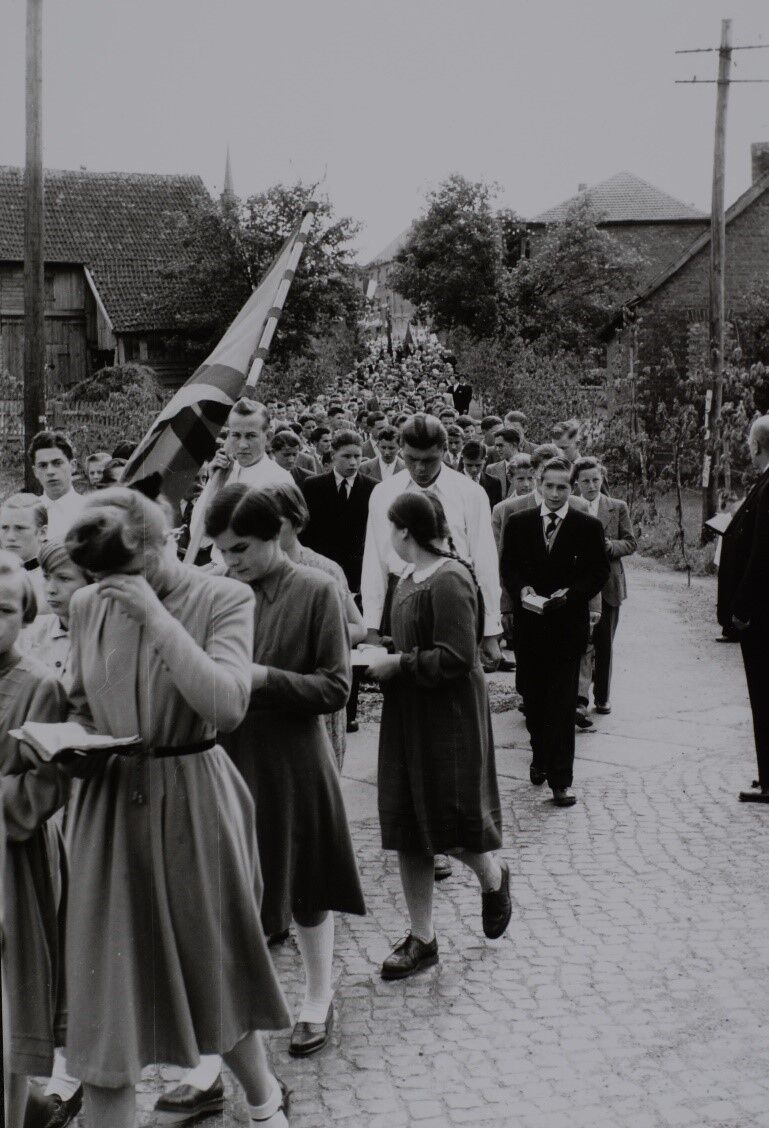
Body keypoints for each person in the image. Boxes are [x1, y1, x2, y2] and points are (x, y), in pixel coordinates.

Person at [62, 488, 291, 1128]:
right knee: (106, 1001)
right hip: (109, 810)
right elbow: (81, 702)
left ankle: (264, 1104)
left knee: (216, 969)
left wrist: (155, 619)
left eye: (125, 574)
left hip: (196, 799)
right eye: (101, 578)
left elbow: (226, 705)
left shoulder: (224, 598)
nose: (112, 588)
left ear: (162, 543)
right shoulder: (88, 603)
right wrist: (70, 741)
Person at [205, 485, 365, 1057]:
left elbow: (336, 687)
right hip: (229, 755)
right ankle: (238, 1011)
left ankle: (317, 997)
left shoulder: (317, 588)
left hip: (294, 757)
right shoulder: (218, 590)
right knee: (235, 884)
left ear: (276, 534)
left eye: (241, 549)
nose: (232, 562)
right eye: (223, 551)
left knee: (306, 883)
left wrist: (264, 679)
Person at [366, 493, 510, 980]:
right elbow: (406, 640)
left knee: (445, 820)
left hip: (446, 717)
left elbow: (456, 656)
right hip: (409, 712)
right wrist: (379, 653)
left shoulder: (450, 578)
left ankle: (492, 876)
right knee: (409, 825)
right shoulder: (407, 577)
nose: (391, 538)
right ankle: (422, 937)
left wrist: (399, 664)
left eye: (392, 529)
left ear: (405, 530)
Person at [0, 552, 70, 1128]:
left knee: (9, 1006)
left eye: (1, 610)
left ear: (24, 615)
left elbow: (45, 787)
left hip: (11, 862)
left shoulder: (42, 685)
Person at [500, 458, 609, 805]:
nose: (556, 493)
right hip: (530, 628)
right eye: (550, 486)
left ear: (573, 487)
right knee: (533, 701)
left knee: (562, 706)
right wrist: (522, 590)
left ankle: (561, 781)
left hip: (566, 628)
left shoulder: (587, 527)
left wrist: (572, 594)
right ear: (538, 484)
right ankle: (539, 755)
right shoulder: (518, 523)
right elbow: (509, 567)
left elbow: (598, 573)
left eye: (564, 487)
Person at [270, 479, 367, 769]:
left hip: (315, 690)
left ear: (297, 522)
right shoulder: (252, 570)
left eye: (277, 523)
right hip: (275, 696)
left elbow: (357, 627)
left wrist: (311, 643)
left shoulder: (323, 570)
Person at [303, 430, 376, 734]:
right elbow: (305, 531)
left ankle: (350, 708)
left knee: (352, 642)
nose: (353, 462)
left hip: (357, 577)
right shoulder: (313, 486)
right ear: (332, 455)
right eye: (346, 456)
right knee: (323, 637)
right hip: (320, 574)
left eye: (358, 456)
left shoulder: (373, 489)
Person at [717, 415, 769, 803]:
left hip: (763, 615)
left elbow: (762, 555)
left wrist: (743, 607)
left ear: (756, 445)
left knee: (764, 694)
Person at [572, 458, 636, 717]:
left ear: (603, 480)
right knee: (579, 641)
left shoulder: (616, 507)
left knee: (604, 643)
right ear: (576, 482)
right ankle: (578, 697)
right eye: (585, 480)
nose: (591, 485)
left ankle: (602, 696)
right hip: (579, 583)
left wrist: (611, 547)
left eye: (596, 480)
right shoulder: (571, 506)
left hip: (608, 584)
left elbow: (630, 542)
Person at [28, 431, 86, 541]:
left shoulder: (88, 511)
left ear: (73, 466)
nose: (50, 471)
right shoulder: (28, 513)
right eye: (43, 465)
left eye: (57, 463)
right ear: (35, 472)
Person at [0, 493, 50, 612]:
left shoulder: (53, 580)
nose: (10, 537)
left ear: (42, 533)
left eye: (20, 528)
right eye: (4, 528)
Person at [460, 440, 503, 508]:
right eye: (469, 465)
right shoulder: (453, 482)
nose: (473, 469)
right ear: (463, 459)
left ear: (485, 459)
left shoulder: (494, 483)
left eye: (478, 465)